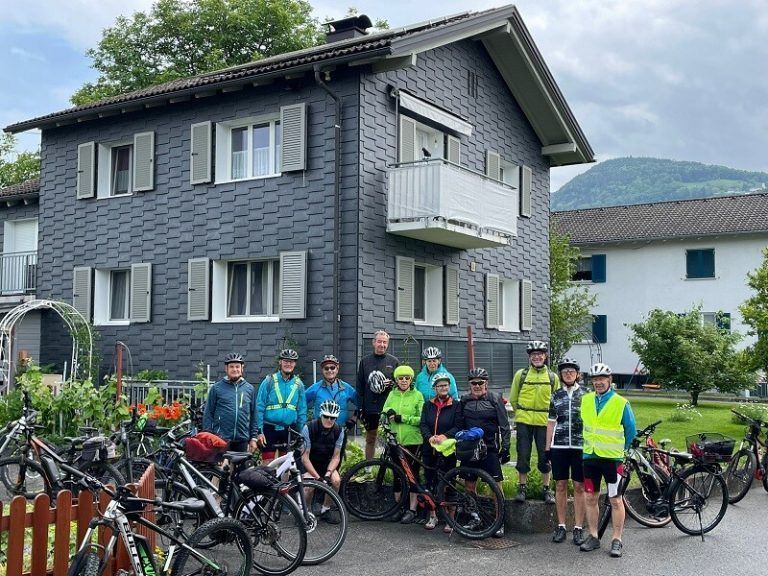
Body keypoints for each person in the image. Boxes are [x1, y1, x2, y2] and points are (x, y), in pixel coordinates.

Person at [579, 362, 637, 558]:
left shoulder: (621, 403)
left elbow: (631, 431)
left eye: (602, 379)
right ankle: (594, 536)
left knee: (615, 499)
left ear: (610, 380)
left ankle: (616, 540)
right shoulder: (586, 400)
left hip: (612, 460)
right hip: (590, 457)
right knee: (590, 497)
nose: (598, 383)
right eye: (595, 379)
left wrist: (621, 450)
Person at [455, 367, 510, 537]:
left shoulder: (494, 399)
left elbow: (504, 425)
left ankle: (499, 520)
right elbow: (459, 424)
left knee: (496, 486)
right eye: (474, 383)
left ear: (486, 383)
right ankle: (474, 517)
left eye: (480, 382)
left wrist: (506, 447)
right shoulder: (464, 400)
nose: (477, 385)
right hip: (470, 448)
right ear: (469, 384)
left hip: (489, 448)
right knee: (469, 485)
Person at [509, 340, 559, 504]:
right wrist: (521, 414)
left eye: (540, 354)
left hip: (544, 423)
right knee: (523, 455)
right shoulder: (521, 375)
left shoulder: (552, 377)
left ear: (545, 356)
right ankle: (522, 487)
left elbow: (557, 401)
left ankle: (546, 489)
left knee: (545, 457)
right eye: (534, 355)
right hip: (524, 422)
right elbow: (513, 398)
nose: (537, 357)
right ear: (529, 357)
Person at [546, 357, 588, 545]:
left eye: (571, 371)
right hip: (560, 447)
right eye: (565, 372)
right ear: (561, 375)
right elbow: (550, 422)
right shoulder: (556, 395)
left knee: (579, 486)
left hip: (581, 446)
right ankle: (561, 525)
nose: (568, 374)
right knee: (561, 485)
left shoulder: (587, 394)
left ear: (577, 374)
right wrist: (547, 448)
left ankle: (578, 527)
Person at [381, 364, 424, 524]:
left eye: (407, 378)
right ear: (396, 380)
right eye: (401, 378)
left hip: (413, 441)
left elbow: (421, 419)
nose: (404, 380)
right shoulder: (392, 394)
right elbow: (383, 412)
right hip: (395, 441)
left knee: (412, 475)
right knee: (398, 475)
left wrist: (402, 418)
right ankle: (398, 507)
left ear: (411, 380)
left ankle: (412, 510)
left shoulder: (417, 395)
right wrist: (387, 413)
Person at [420, 372, 460, 532]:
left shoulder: (456, 405)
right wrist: (429, 437)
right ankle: (432, 515)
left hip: (447, 450)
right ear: (435, 388)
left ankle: (450, 518)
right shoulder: (428, 405)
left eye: (445, 385)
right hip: (430, 449)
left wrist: (445, 436)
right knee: (430, 482)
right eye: (440, 386)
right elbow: (423, 424)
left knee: (449, 483)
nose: (443, 388)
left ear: (449, 387)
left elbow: (459, 425)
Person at [255, 348, 308, 463]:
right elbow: (259, 406)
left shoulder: (299, 385)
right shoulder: (269, 381)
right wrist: (259, 431)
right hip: (269, 428)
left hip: (289, 430)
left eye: (291, 361)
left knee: (286, 466)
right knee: (267, 465)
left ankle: (284, 481)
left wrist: (299, 433)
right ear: (280, 362)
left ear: (295, 364)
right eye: (285, 361)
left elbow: (302, 410)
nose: (288, 364)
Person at [356, 330, 400, 459]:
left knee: (392, 440)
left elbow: (401, 384)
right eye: (379, 341)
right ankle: (369, 469)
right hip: (370, 408)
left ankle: (392, 468)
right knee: (371, 439)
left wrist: (391, 383)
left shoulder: (394, 361)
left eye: (385, 342)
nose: (382, 344)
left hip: (388, 407)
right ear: (374, 343)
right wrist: (360, 408)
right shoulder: (365, 362)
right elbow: (360, 387)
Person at [202, 353, 258, 453]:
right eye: (231, 366)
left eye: (237, 366)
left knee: (242, 469)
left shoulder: (249, 389)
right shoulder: (217, 388)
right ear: (226, 369)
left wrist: (253, 437)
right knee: (220, 469)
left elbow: (254, 414)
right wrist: (208, 435)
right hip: (221, 439)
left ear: (242, 368)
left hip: (242, 439)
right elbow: (208, 413)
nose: (234, 369)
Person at [300, 400, 344, 524]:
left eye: (333, 418)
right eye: (326, 416)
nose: (329, 420)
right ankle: (305, 512)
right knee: (309, 486)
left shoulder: (339, 430)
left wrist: (328, 473)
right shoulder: (309, 428)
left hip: (326, 462)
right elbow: (305, 458)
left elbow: (336, 456)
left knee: (336, 481)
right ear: (321, 415)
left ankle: (325, 509)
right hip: (309, 463)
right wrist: (318, 477)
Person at [305, 354, 358, 429]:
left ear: (337, 369)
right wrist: (305, 423)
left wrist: (354, 419)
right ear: (322, 370)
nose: (329, 370)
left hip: (341, 431)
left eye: (332, 368)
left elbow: (361, 403)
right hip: (319, 432)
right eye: (326, 368)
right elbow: (301, 403)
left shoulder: (346, 388)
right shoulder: (315, 388)